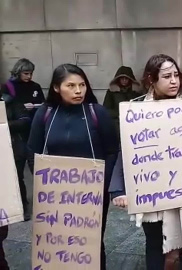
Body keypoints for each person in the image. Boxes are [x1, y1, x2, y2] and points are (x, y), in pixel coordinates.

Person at [109, 54, 182, 270]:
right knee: (154, 243)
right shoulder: (136, 112)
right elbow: (127, 152)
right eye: (167, 76)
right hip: (153, 192)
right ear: (151, 79)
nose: (174, 81)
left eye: (176, 75)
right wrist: (118, 190)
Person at [27, 64, 118, 270]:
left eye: (82, 85)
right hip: (54, 195)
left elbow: (113, 151)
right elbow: (33, 151)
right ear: (57, 88)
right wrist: (42, 182)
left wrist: (103, 185)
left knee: (90, 244)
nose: (78, 91)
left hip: (92, 194)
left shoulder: (98, 113)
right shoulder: (45, 113)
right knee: (57, 242)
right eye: (71, 85)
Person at [2, 58, 45, 216]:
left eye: (31, 73)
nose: (29, 76)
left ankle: (45, 200)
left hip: (34, 128)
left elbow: (43, 103)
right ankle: (23, 205)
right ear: (18, 72)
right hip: (17, 136)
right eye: (26, 73)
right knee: (18, 172)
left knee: (38, 168)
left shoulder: (35, 86)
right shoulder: (8, 87)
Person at [1, 86, 31, 221]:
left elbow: (25, 121)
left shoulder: (11, 102)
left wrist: (4, 124)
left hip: (13, 145)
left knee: (16, 178)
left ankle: (22, 207)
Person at [103, 66, 142, 134]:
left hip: (133, 123)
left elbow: (141, 108)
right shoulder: (112, 92)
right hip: (117, 124)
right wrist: (120, 114)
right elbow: (106, 110)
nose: (124, 80)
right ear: (118, 79)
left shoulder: (136, 92)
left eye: (126, 78)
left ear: (130, 79)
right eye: (122, 78)